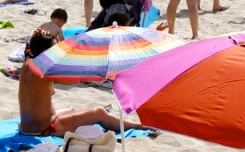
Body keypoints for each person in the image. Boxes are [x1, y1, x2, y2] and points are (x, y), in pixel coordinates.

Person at [18, 30, 153, 137]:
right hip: (46, 128)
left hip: (25, 127)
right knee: (98, 112)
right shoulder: (44, 69)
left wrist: (36, 38)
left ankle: (106, 116)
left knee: (71, 109)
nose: (57, 49)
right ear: (46, 51)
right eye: (55, 47)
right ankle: (137, 126)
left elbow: (31, 49)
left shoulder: (27, 65)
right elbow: (73, 80)